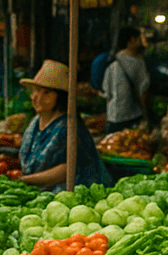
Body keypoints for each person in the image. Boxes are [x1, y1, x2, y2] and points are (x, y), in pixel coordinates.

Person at [18, 60, 112, 190]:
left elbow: (67, 170)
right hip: (37, 190)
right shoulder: (35, 122)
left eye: (46, 93)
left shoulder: (68, 126)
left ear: (60, 97)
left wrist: (25, 180)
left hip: (69, 194)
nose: (37, 97)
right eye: (36, 91)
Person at [102, 26, 150, 134]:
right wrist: (147, 116)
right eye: (139, 39)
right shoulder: (138, 62)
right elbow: (144, 91)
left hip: (112, 118)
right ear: (132, 40)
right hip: (131, 117)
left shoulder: (112, 61)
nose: (141, 42)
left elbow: (106, 91)